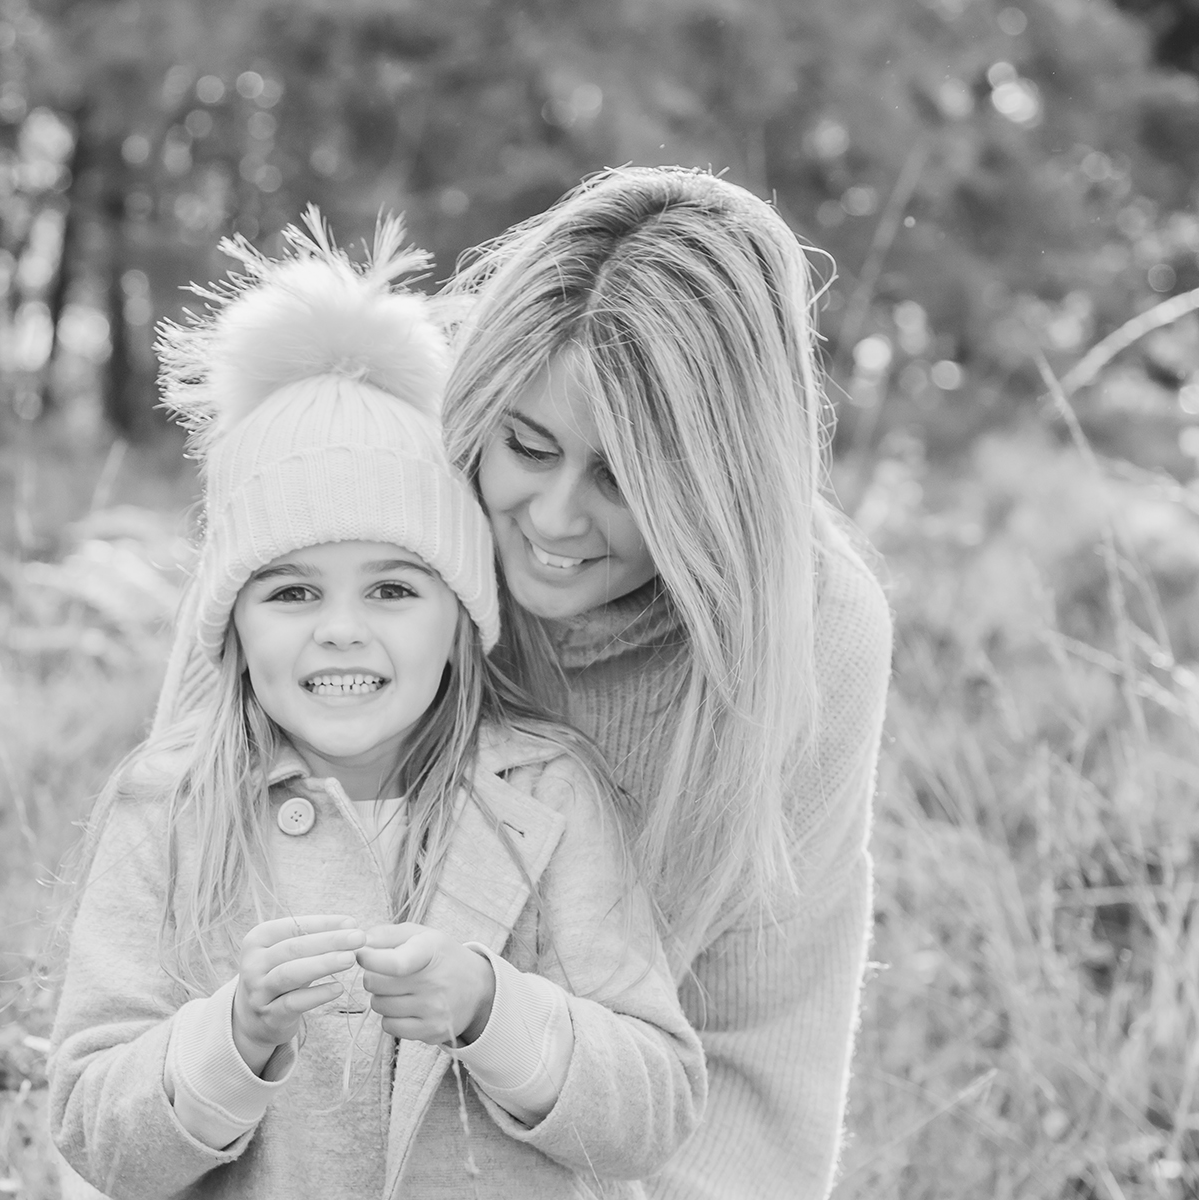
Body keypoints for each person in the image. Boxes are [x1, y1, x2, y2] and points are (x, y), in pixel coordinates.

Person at [151, 169, 895, 1200]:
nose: (552, 519)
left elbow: (759, 1041)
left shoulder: (815, 633)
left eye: (624, 478)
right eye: (528, 446)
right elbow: (164, 934)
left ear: (720, 480)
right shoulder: (350, 512)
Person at [49, 214, 705, 1200]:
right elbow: (93, 1131)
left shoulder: (547, 797)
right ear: (232, 626)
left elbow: (654, 1110)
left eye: (393, 589)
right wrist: (235, 1035)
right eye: (292, 592)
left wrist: (492, 1008)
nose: (342, 631)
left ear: (461, 617)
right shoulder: (171, 807)